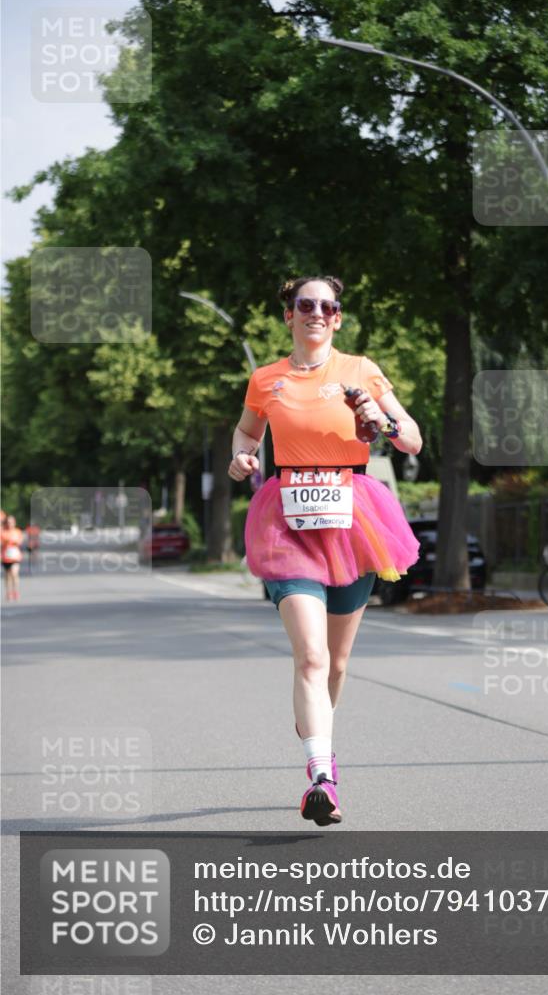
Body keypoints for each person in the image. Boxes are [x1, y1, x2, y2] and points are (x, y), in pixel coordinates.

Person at [229, 275, 422, 826]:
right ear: (288, 315)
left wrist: (379, 421)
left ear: (337, 318)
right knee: (310, 657)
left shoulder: (361, 370)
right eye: (304, 305)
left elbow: (410, 437)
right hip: (287, 521)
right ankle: (321, 776)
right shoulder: (266, 379)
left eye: (327, 306)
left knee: (335, 662)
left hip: (353, 521)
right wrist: (240, 459)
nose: (316, 312)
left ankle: (321, 737)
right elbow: (245, 436)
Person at [2, 515, 24, 601]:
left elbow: (20, 541)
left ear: (14, 523)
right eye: (8, 522)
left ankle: (15, 591)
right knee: (7, 576)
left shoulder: (17, 532)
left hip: (15, 557)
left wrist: (14, 542)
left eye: (11, 522)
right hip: (5, 557)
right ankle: (8, 592)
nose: (10, 524)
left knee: (14, 573)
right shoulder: (3, 532)